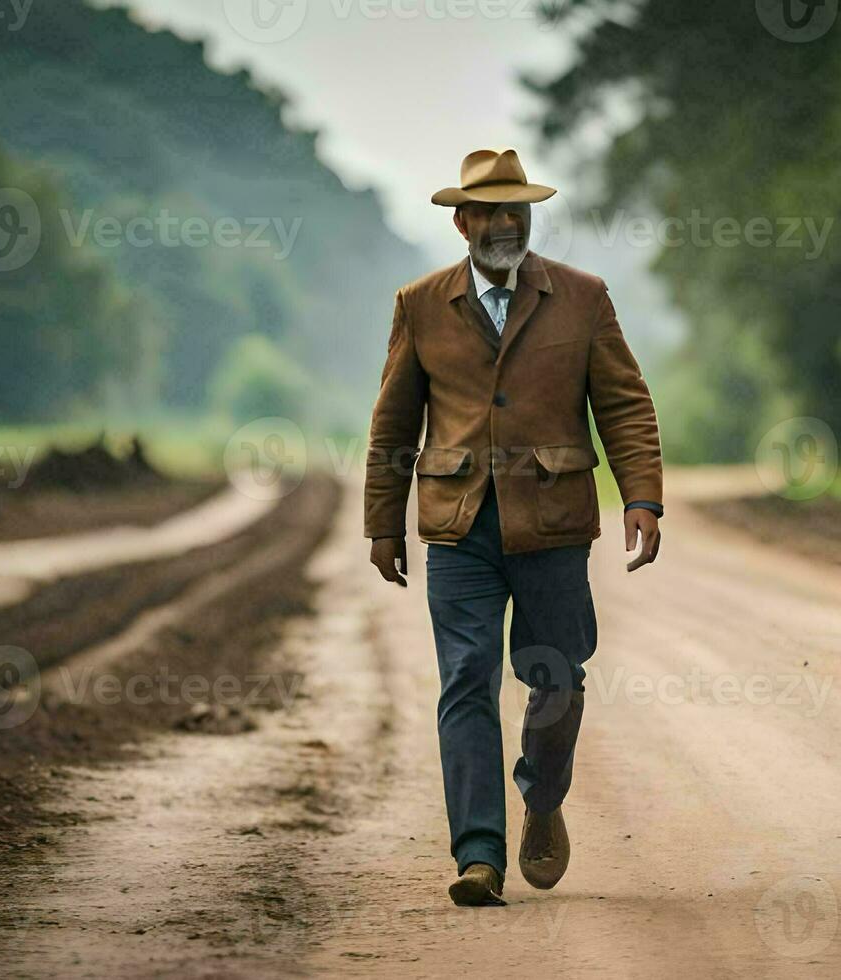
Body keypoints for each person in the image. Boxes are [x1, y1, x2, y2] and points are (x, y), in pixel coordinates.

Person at [364, 148, 664, 906]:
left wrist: (642, 498)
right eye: (490, 211)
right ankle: (478, 855)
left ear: (529, 217)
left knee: (556, 679)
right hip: (458, 528)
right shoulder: (421, 303)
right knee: (466, 680)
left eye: (516, 210)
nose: (504, 223)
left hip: (555, 524)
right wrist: (383, 523)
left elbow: (624, 403)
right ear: (461, 221)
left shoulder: (583, 297)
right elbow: (394, 420)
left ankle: (542, 798)